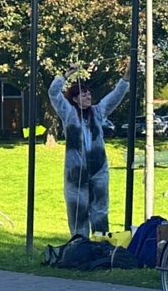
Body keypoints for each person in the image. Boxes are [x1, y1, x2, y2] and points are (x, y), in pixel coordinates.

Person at [48, 60, 133, 238]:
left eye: (88, 93)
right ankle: (80, 246)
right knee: (78, 213)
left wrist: (126, 76)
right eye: (83, 94)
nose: (87, 97)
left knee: (100, 211)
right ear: (74, 99)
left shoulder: (98, 112)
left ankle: (101, 244)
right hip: (75, 173)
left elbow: (116, 95)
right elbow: (53, 93)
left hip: (98, 170)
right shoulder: (68, 113)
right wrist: (66, 75)